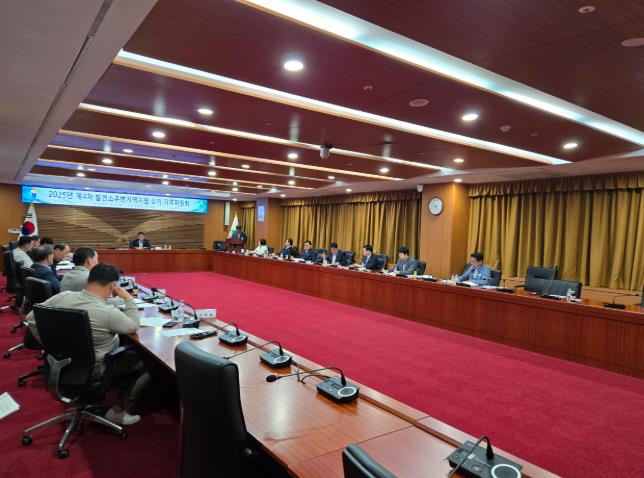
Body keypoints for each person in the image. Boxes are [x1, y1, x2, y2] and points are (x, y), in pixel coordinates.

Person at [27, 263, 150, 425]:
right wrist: (128, 299)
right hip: (94, 369)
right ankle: (118, 411)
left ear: (88, 280)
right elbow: (133, 325)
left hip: (57, 363)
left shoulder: (63, 297)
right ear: (112, 286)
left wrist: (50, 345)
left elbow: (30, 318)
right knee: (149, 364)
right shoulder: (108, 313)